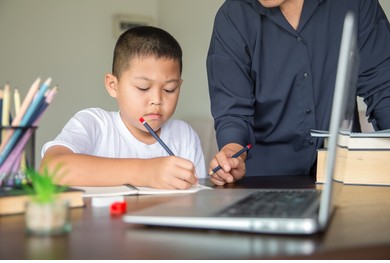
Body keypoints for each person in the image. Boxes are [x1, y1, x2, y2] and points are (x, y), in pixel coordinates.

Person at [207, 0, 390, 185]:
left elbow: (383, 88)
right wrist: (232, 151)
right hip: (263, 184)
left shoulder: (356, 3)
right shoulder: (232, 17)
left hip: (344, 177)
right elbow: (233, 112)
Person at [40, 26, 206, 189]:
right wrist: (145, 171)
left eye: (170, 89)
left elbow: (197, 197)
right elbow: (50, 169)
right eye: (143, 87)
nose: (157, 100)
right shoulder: (95, 124)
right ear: (113, 86)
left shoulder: (184, 136)